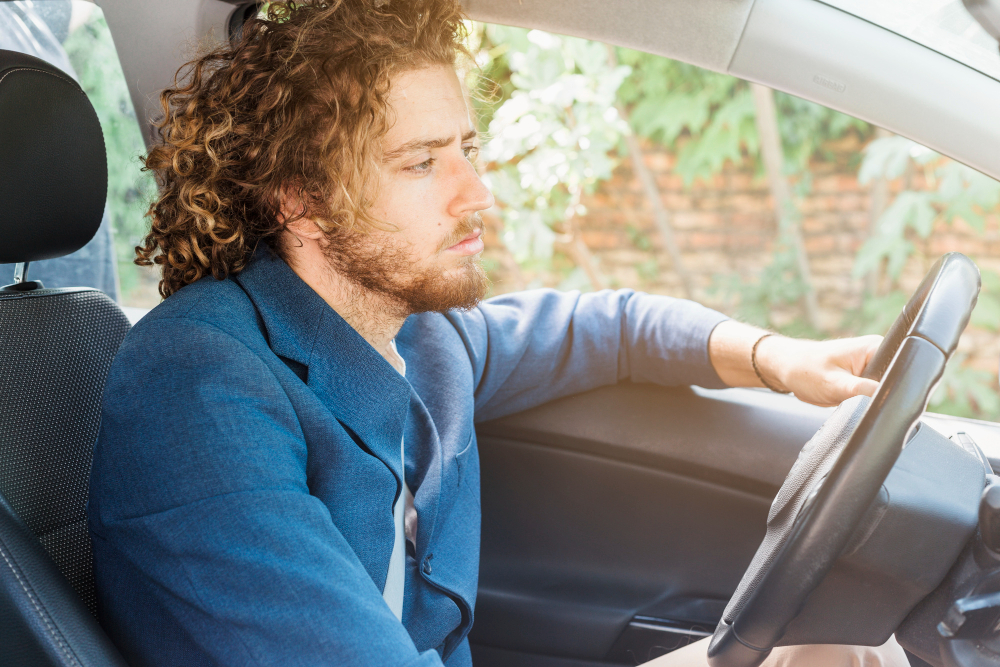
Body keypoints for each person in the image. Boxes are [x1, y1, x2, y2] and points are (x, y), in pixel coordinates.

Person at [87, 1, 909, 665]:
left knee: (839, 645)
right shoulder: (195, 380)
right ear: (299, 197)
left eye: (469, 149)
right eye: (421, 162)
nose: (477, 192)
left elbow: (609, 326)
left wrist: (778, 358)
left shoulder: (421, 338)